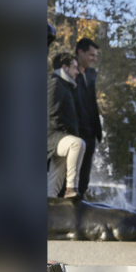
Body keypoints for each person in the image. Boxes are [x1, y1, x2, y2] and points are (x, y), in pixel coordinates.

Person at [48, 52, 85, 198]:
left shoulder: (63, 85)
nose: (77, 71)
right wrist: (66, 133)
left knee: (51, 191)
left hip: (58, 137)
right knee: (77, 144)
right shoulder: (55, 83)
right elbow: (50, 113)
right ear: (64, 67)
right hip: (53, 137)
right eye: (74, 68)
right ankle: (71, 189)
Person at [74, 38, 103, 195]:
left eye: (95, 55)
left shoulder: (91, 74)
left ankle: (81, 204)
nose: (94, 58)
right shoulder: (69, 73)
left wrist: (97, 131)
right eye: (91, 55)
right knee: (70, 176)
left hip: (90, 133)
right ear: (80, 52)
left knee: (84, 177)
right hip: (76, 133)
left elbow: (92, 104)